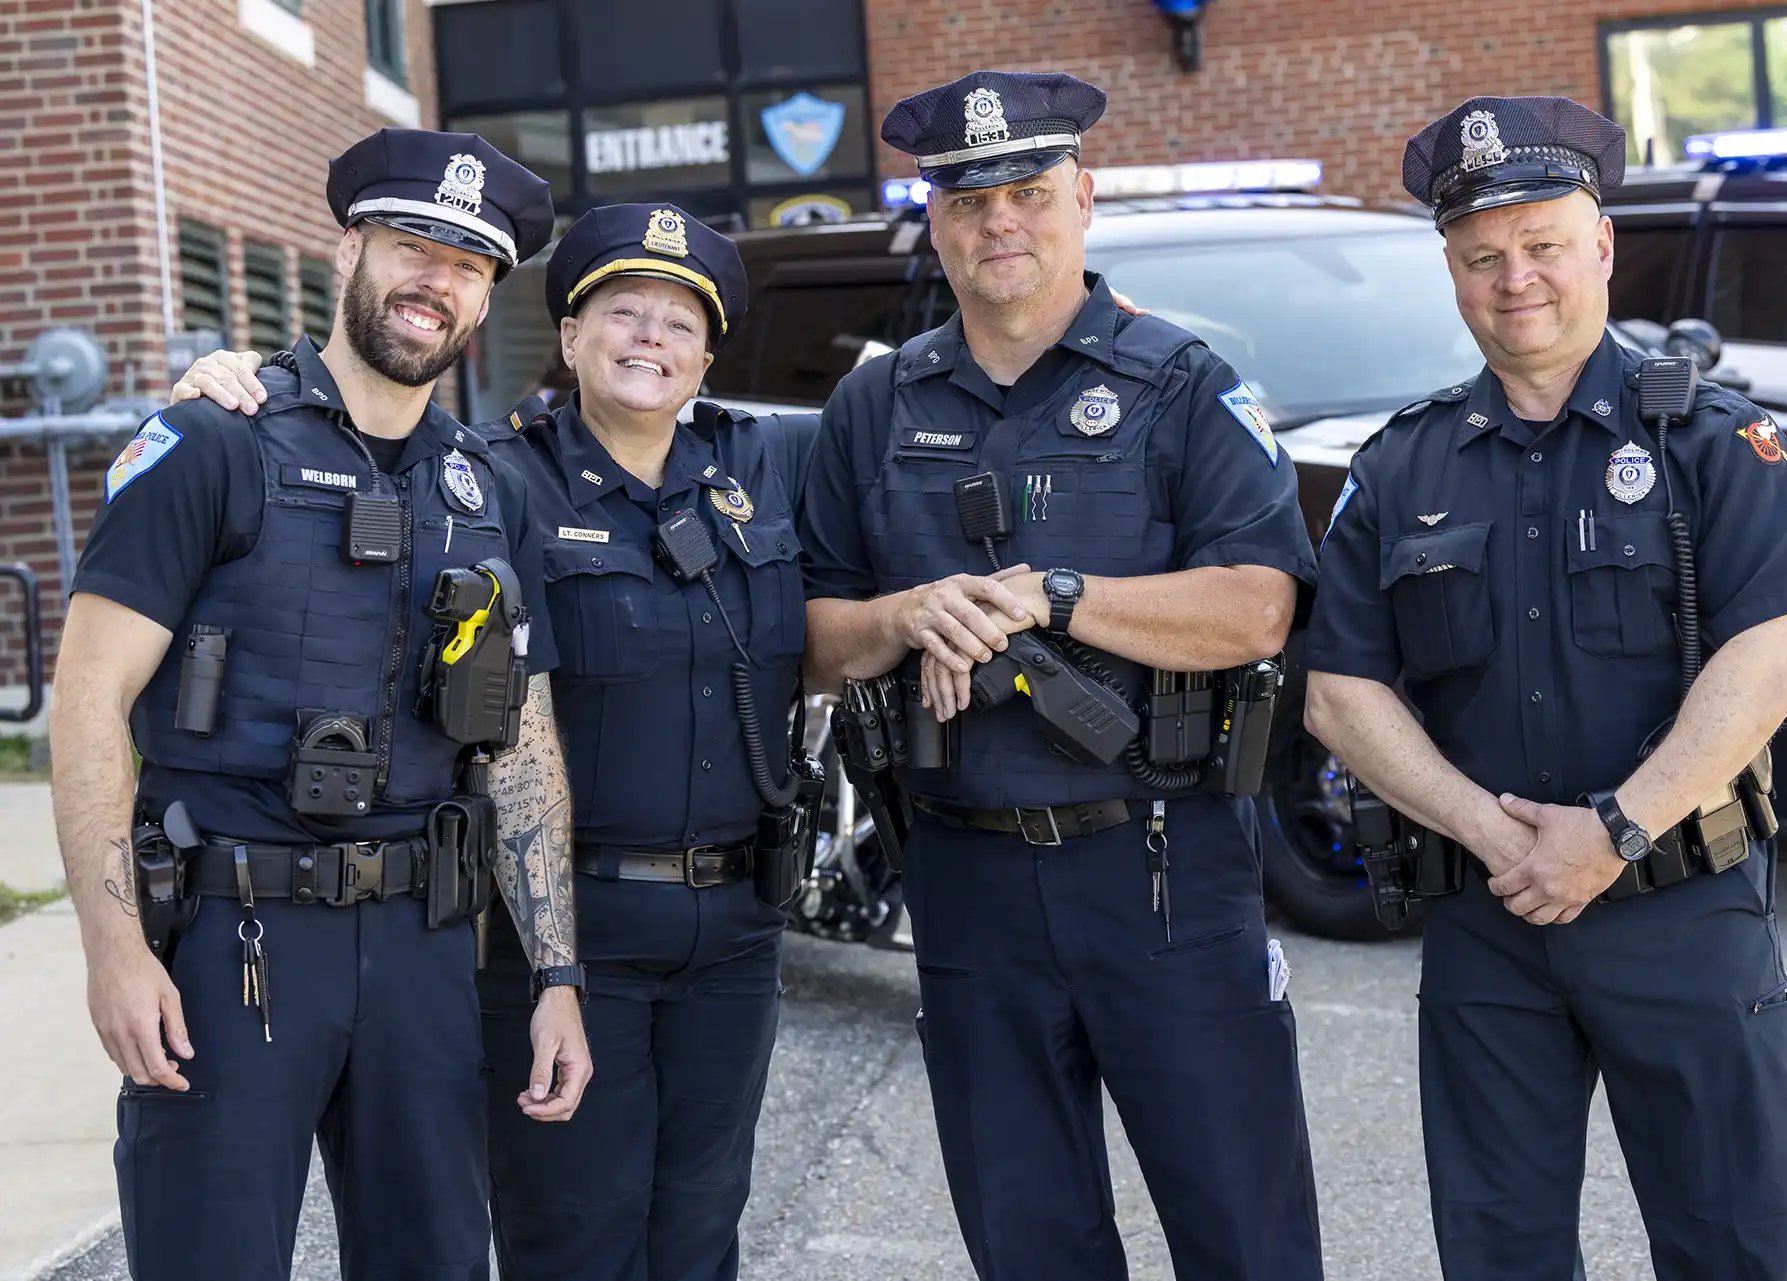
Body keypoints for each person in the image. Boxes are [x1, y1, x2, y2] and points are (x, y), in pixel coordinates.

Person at [176, 202, 818, 1281]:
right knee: (572, 1232)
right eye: (623, 313)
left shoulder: (764, 465)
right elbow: (367, 439)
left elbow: (901, 439)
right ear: (569, 336)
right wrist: (237, 377)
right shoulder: (491, 477)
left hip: (735, 927)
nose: (649, 339)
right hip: (566, 919)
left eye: (679, 323)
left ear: (709, 358)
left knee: (705, 1226)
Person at [1303, 97, 1787, 1280]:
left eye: (1543, 244)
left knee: (1738, 1246)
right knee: (1498, 1252)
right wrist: (1492, 834)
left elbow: (1771, 664)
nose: (1517, 280)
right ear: (1451, 272)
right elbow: (1340, 692)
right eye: (1482, 256)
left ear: (1601, 245)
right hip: (1486, 922)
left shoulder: (1716, 442)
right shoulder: (1401, 466)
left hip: (1681, 912)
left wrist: (1613, 831)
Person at [799, 70, 1323, 1281]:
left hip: (1162, 868)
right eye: (968, 201)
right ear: (936, 224)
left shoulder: (1182, 384)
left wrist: (1059, 595)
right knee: (1028, 1243)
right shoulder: (874, 405)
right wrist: (906, 615)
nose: (1001, 223)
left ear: (1083, 200)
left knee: (1244, 1237)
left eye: (1028, 192)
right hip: (965, 876)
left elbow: (1260, 606)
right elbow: (815, 638)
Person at [54, 128, 591, 1281]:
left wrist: (557, 975)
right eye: (413, 247)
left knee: (435, 1261)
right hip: (230, 942)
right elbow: (89, 700)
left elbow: (520, 746)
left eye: (468, 266)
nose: (435, 283)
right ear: (349, 249)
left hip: (422, 949)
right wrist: (113, 950)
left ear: (486, 297)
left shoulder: (490, 490)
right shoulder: (208, 442)